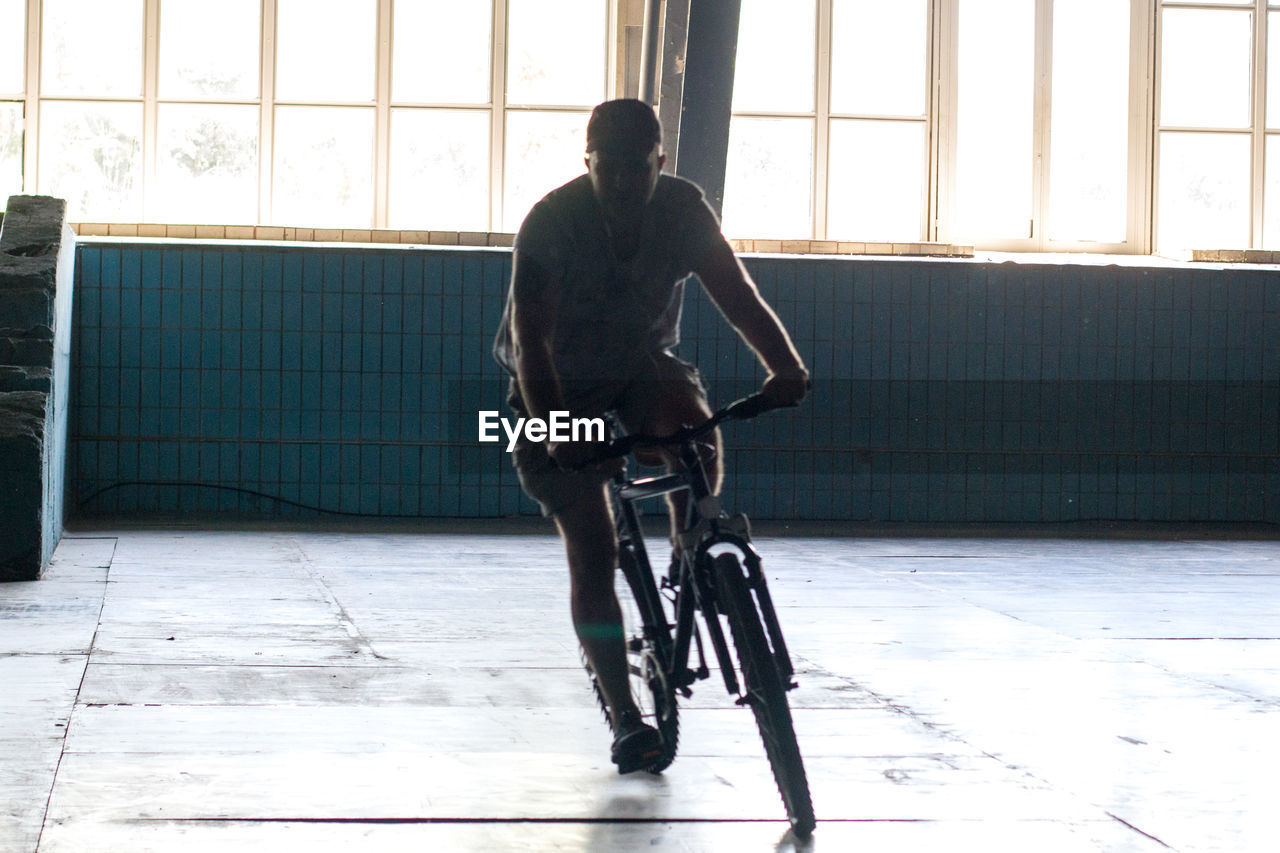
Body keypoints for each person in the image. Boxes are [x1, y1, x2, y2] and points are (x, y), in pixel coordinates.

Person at [492, 99, 809, 774]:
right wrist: (553, 431)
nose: (622, 185)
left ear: (659, 164)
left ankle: (690, 550)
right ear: (588, 164)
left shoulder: (683, 209)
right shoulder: (551, 223)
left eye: (636, 169)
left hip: (638, 363)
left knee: (693, 430)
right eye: (607, 170)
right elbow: (531, 339)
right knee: (592, 540)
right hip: (556, 381)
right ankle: (626, 714)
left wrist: (784, 366)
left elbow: (737, 292)